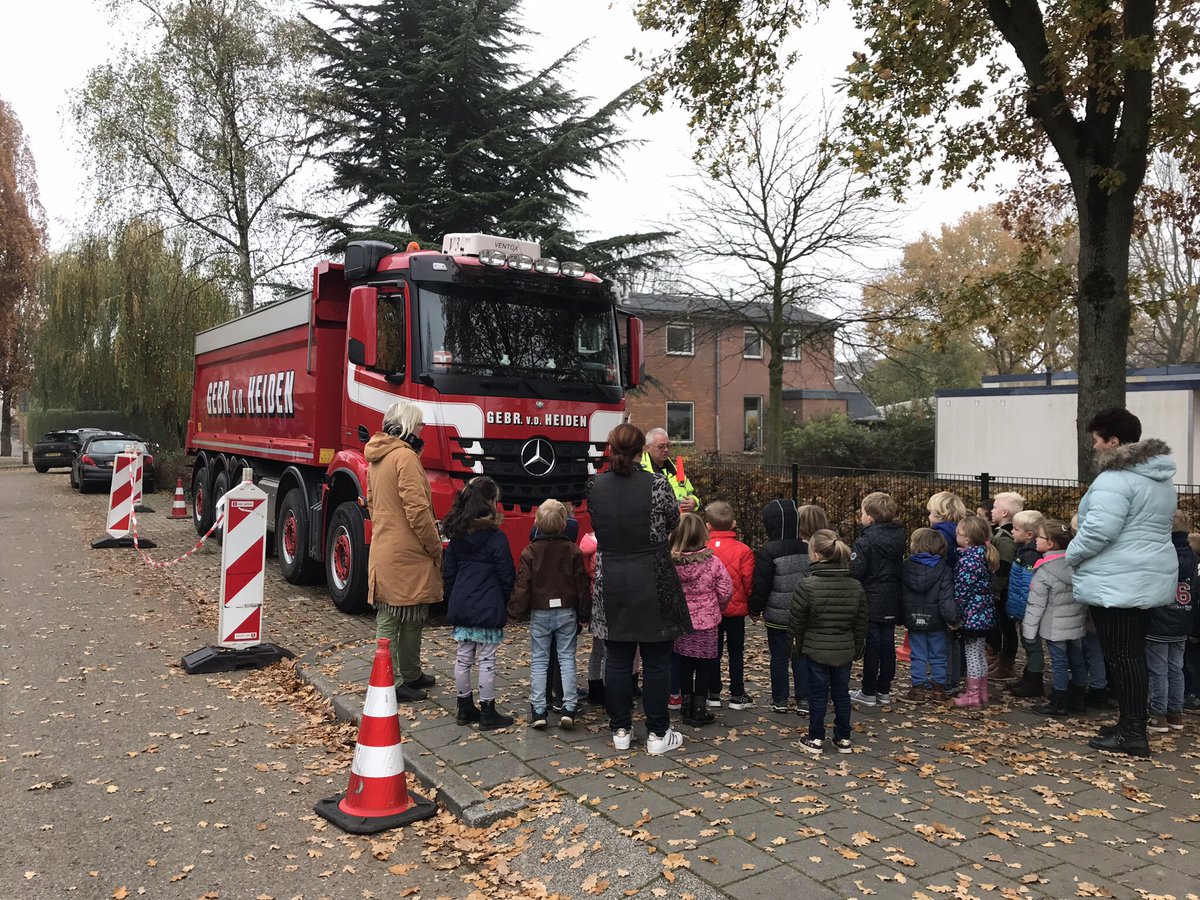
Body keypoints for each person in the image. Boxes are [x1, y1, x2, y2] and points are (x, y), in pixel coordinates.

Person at [1067, 407, 1177, 758]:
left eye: (1097, 440)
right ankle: (1130, 724)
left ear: (1113, 441)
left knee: (1123, 656)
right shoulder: (1158, 479)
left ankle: (1132, 732)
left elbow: (1098, 531)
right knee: (1130, 654)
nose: (1094, 447)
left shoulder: (1115, 480)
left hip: (1118, 579)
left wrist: (1071, 554)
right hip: (1142, 575)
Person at [588, 423, 692, 755]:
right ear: (641, 450)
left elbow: (597, 523)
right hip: (652, 576)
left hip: (610, 578)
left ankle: (620, 729)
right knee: (657, 658)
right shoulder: (657, 484)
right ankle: (658, 734)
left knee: (617, 657)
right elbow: (673, 522)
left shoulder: (595, 485)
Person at [364, 399, 441, 702]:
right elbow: (418, 511)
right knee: (400, 616)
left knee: (404, 613)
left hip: (386, 545)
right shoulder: (405, 457)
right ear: (409, 426)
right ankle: (394, 680)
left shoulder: (377, 455)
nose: (423, 428)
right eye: (420, 423)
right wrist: (434, 546)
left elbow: (372, 502)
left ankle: (408, 674)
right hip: (409, 550)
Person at [509, 499, 591, 730]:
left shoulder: (530, 551)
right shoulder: (573, 551)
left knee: (539, 660)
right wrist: (585, 612)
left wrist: (515, 611)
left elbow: (523, 585)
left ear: (536, 523)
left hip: (541, 611)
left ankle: (538, 709)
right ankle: (569, 706)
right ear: (565, 524)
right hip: (566, 611)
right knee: (566, 659)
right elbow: (581, 585)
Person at [442, 476, 516, 730]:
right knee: (487, 660)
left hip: (462, 603)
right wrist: (504, 599)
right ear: (491, 503)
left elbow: (448, 572)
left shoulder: (457, 536)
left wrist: (452, 597)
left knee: (463, 658)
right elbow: (506, 575)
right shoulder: (496, 538)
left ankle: (464, 707)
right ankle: (487, 711)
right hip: (488, 605)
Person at [790, 529, 868, 755]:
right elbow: (861, 622)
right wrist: (857, 647)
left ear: (815, 555)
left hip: (815, 648)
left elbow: (796, 623)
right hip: (844, 648)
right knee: (841, 693)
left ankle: (816, 736)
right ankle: (843, 737)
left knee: (818, 694)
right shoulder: (855, 586)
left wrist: (796, 648)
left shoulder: (806, 586)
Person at [750, 501, 823, 714]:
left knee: (779, 658)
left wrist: (755, 609)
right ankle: (804, 699)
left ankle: (779, 699)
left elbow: (761, 585)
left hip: (777, 615)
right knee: (800, 656)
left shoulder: (769, 551)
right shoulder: (808, 548)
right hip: (803, 613)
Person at [672, 513, 734, 727]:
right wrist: (718, 608)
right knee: (705, 664)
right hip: (707, 622)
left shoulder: (672, 564)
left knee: (684, 663)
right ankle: (699, 708)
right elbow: (725, 590)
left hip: (682, 622)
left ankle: (685, 704)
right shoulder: (713, 562)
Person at [1022, 520, 1088, 717]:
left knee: (1059, 662)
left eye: (1040, 537)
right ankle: (1078, 698)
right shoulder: (1077, 565)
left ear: (1050, 544)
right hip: (1076, 622)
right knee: (1077, 659)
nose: (1035, 539)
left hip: (1054, 626)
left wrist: (1029, 632)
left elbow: (1036, 605)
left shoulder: (1044, 571)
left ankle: (1059, 700)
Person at [848, 492, 906, 708]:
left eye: (862, 513)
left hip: (870, 598)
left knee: (872, 645)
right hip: (891, 597)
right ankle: (884, 689)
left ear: (870, 517)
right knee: (888, 644)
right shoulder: (898, 539)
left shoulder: (865, 542)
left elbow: (857, 571)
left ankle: (868, 690)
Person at [1145, 510, 1196, 733]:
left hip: (1160, 618)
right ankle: (1176, 712)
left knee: (1158, 670)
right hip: (1183, 616)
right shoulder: (1193, 556)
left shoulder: (1163, 554)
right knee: (1176, 668)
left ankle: (1158, 713)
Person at [704, 501, 756, 710]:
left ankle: (713, 692)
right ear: (733, 524)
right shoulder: (744, 550)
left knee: (713, 652)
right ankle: (737, 693)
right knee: (736, 652)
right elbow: (748, 581)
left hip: (711, 610)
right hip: (736, 610)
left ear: (708, 526)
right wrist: (751, 605)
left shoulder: (704, 549)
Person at [899, 528, 958, 703]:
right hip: (937, 619)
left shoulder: (905, 567)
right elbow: (946, 599)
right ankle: (939, 689)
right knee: (939, 654)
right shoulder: (944, 569)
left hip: (913, 616)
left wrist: (900, 615)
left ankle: (918, 688)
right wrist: (953, 618)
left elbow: (900, 593)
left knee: (917, 654)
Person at [952, 515, 999, 710]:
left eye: (958, 533)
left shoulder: (968, 561)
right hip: (984, 613)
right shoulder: (984, 556)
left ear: (967, 538)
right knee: (979, 654)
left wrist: (956, 613)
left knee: (972, 654)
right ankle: (982, 691)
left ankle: (972, 694)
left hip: (972, 615)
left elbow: (962, 590)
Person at [928, 490, 968, 694]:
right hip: (956, 587)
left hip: (943, 587)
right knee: (953, 638)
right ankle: (953, 678)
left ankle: (944, 680)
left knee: (943, 639)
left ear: (939, 514)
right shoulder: (959, 531)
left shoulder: (940, 535)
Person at [1006, 509, 1047, 698]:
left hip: (1028, 609)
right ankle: (1028, 676)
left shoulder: (1031, 555)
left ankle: (1034, 680)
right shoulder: (1023, 551)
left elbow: (1027, 586)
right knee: (1027, 642)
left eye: (1016, 529)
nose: (1012, 532)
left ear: (1029, 534)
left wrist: (1022, 611)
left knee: (1032, 644)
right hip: (1022, 608)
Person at [987, 492, 1022, 682]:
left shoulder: (1004, 538)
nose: (991, 511)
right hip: (1005, 589)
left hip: (1004, 590)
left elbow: (1003, 567)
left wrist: (995, 590)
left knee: (1006, 627)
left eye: (994, 507)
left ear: (1004, 512)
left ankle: (1007, 664)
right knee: (1002, 625)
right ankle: (1001, 660)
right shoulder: (1002, 534)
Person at [640, 427, 700, 512]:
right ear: (647, 447)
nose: (666, 450)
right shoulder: (640, 470)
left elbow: (690, 494)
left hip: (680, 519)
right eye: (661, 447)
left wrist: (694, 502)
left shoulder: (676, 470)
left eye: (668, 446)